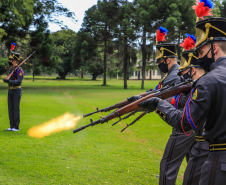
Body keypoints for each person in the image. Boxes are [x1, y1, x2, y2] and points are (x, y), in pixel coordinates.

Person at [139, 17, 226, 185]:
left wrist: (158, 104)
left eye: (201, 52)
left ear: (214, 48)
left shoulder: (208, 81)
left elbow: (186, 122)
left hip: (218, 163)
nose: (199, 58)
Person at [128, 43, 196, 185]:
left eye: (160, 61)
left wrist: (146, 100)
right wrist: (143, 97)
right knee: (193, 163)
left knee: (168, 165)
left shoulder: (175, 74)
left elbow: (161, 96)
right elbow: (158, 92)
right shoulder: (174, 73)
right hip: (191, 122)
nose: (159, 64)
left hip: (183, 123)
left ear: (168, 59)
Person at [3, 50, 24, 131]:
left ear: (15, 61)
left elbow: (18, 82)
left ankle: (16, 127)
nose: (9, 61)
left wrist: (9, 81)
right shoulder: (11, 70)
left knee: (15, 108)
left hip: (16, 91)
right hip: (10, 91)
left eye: (11, 60)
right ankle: (11, 126)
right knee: (10, 109)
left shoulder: (19, 71)